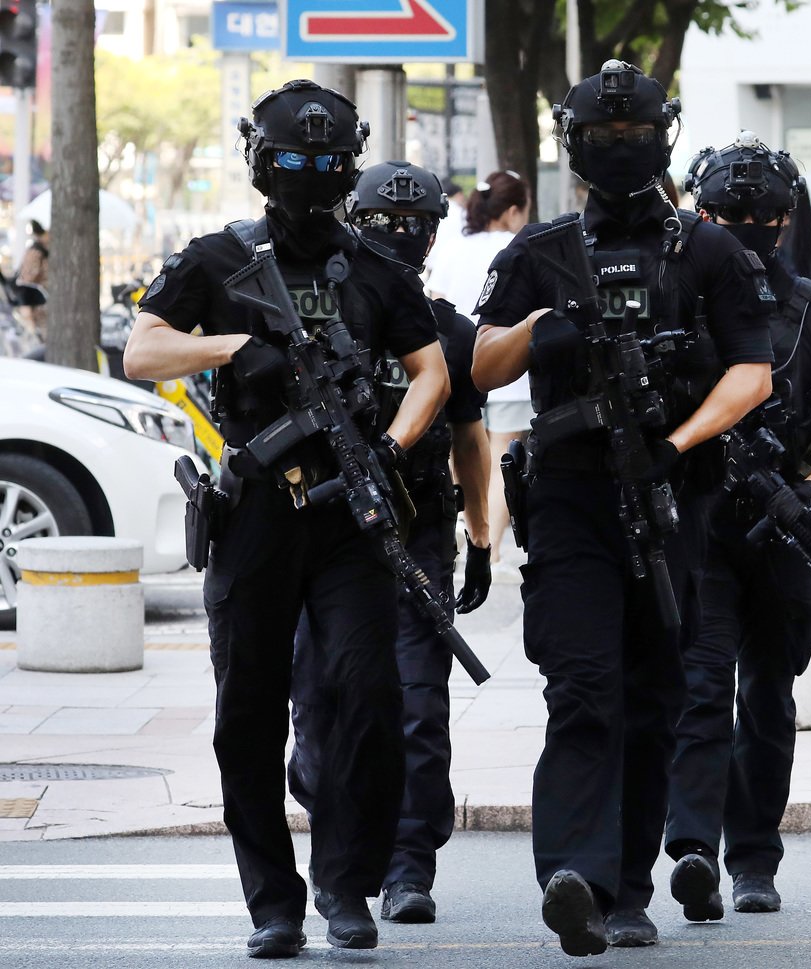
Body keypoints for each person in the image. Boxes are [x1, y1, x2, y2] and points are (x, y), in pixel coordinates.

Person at [122, 80, 450, 958]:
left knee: (369, 698)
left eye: (327, 162)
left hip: (350, 513)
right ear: (263, 162)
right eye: (296, 161)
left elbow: (431, 372)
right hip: (257, 509)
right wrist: (230, 345)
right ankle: (275, 900)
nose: (311, 175)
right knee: (250, 716)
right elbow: (141, 347)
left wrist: (390, 443)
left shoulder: (378, 268)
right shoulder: (217, 257)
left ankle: (348, 883)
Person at [471, 60, 774, 955]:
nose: (618, 148)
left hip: (673, 497)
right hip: (570, 496)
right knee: (583, 689)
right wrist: (539, 329)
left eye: (633, 134)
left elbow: (753, 372)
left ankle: (630, 887)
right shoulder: (541, 251)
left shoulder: (709, 252)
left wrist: (677, 446)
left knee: (654, 692)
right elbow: (480, 364)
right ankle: (575, 877)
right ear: (572, 147)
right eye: (600, 138)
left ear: (664, 138)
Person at [664, 131, 811, 922]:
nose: (748, 225)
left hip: (787, 531)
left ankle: (753, 858)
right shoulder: (680, 296)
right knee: (700, 683)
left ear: (785, 222)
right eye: (729, 212)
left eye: (764, 214)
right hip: (702, 524)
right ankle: (692, 846)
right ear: (701, 211)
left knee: (768, 697)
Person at [286, 160, 493, 930]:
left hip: (418, 529)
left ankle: (408, 865)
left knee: (417, 704)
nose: (403, 236)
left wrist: (480, 536)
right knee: (319, 705)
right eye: (383, 224)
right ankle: (340, 835)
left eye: (416, 224)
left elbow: (469, 438)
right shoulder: (315, 306)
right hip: (324, 534)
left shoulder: (449, 328)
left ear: (437, 232)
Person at [429, 170, 533, 568]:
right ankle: (487, 540)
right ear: (511, 211)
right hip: (508, 374)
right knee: (502, 454)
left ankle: (463, 526)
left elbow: (436, 302)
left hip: (457, 367)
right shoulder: (518, 246)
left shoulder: (455, 247)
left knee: (463, 445)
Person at [15, 219, 49, 343]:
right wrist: (27, 315)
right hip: (38, 308)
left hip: (43, 306)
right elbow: (25, 282)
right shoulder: (36, 252)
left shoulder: (43, 250)